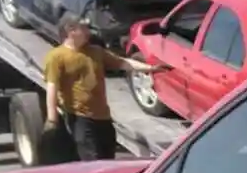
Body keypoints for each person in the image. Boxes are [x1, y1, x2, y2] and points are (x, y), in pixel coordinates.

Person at [43, 16, 166, 161]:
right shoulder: (56, 57)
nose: (88, 32)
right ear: (70, 31)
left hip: (103, 117)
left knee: (108, 158)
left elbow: (123, 63)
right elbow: (52, 87)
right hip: (80, 118)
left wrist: (150, 68)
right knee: (93, 161)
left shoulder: (96, 51)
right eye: (84, 28)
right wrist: (52, 120)